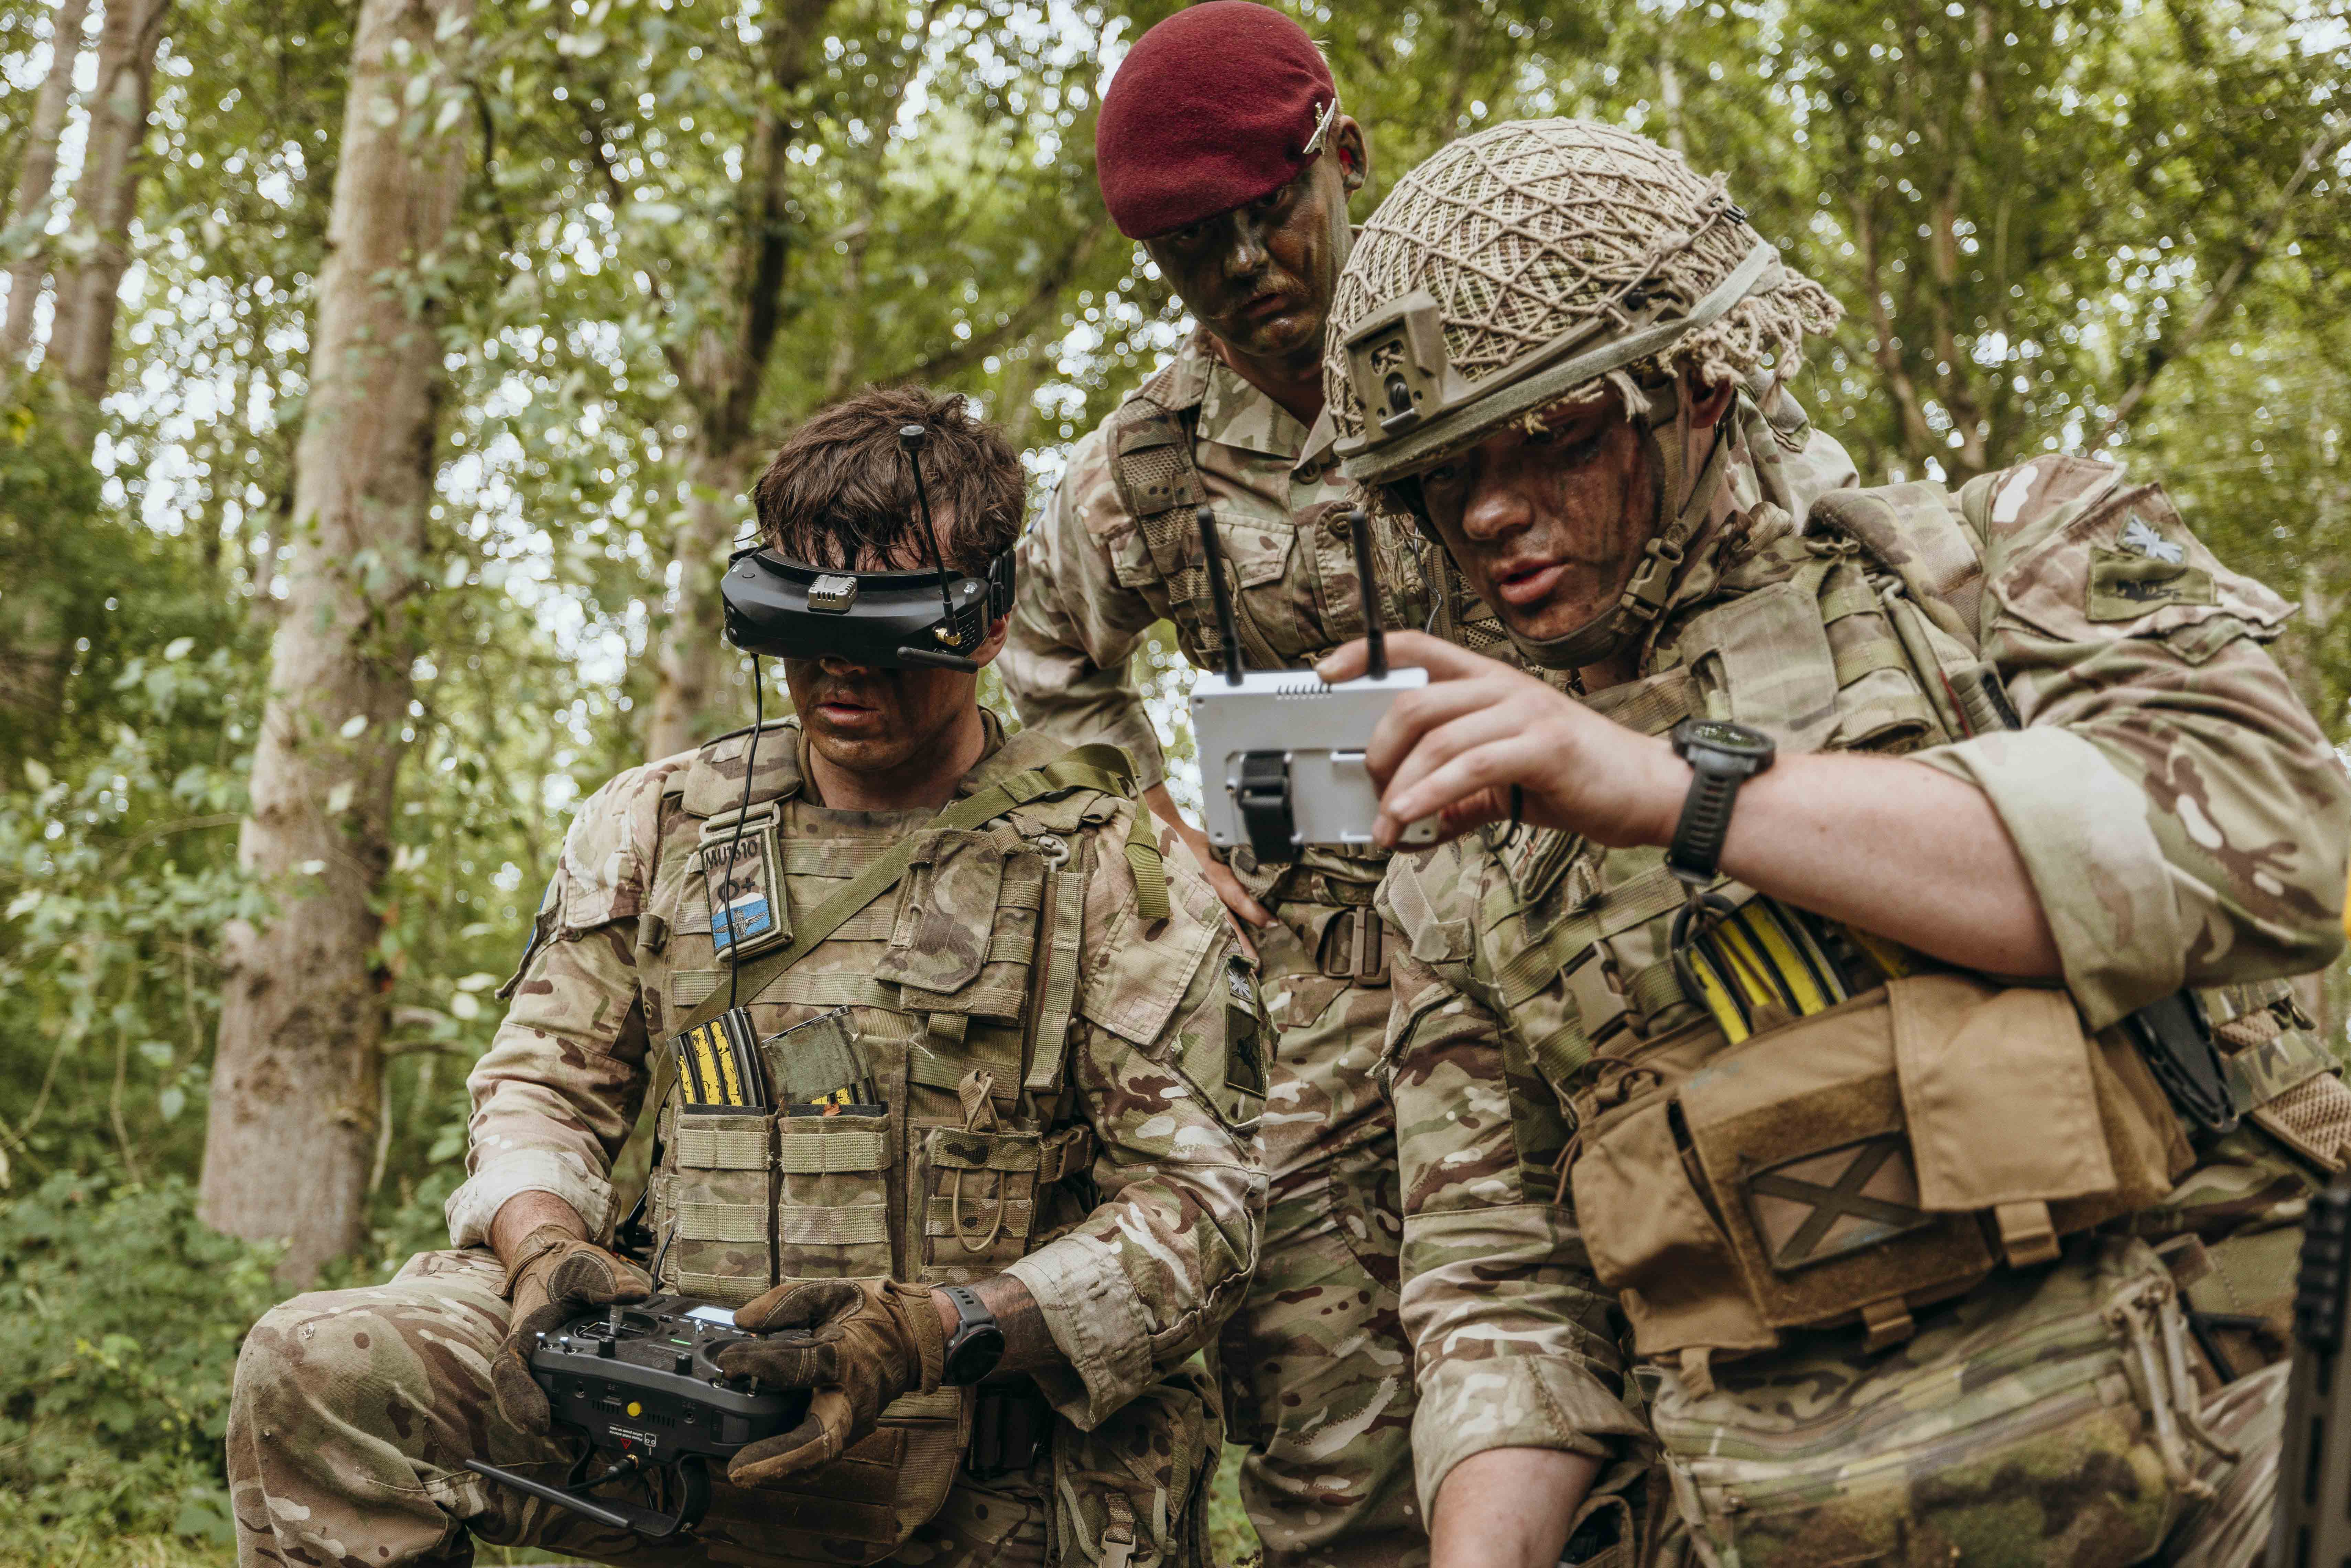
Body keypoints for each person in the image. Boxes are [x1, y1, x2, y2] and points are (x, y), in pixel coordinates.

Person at [1310, 119, 2351, 1568]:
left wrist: (1674, 790)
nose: (1487, 512)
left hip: (2235, 1466)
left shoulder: (2005, 561)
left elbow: (2266, 848)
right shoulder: (1469, 829)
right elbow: (1504, 1298)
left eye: (1546, 436)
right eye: (1437, 476)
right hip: (1778, 1515)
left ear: (1698, 386)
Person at [1012, 15, 1849, 1562]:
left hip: (1602, 913)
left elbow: (1783, 533)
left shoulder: (1540, 321)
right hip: (1325, 990)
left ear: (1340, 152)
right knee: (1334, 1452)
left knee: (1700, 1323)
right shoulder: (1145, 471)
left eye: (1265, 215)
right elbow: (1045, 670)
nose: (1242, 269)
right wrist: (1150, 844)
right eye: (1191, 253)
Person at [226, 387, 1268, 1568]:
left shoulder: (1108, 872)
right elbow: (539, 1090)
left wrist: (934, 1330)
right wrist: (544, 1245)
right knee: (320, 1366)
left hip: (973, 1449)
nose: (837, 669)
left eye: (884, 628)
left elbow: (1202, 1215)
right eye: (801, 623)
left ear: (986, 621)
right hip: (670, 1407)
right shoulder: (657, 825)